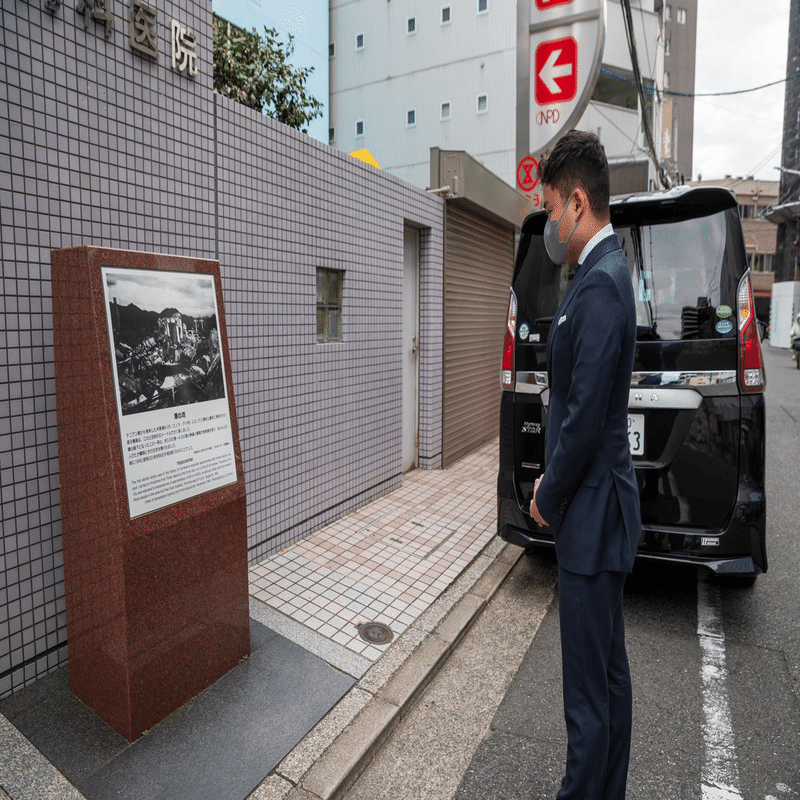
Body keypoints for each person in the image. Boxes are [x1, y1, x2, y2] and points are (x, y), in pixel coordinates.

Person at [529, 130, 643, 800]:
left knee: (587, 697)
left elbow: (582, 415)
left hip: (592, 515)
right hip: (604, 511)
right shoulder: (606, 273)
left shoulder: (599, 284)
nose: (550, 225)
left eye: (550, 209)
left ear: (576, 202)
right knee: (609, 677)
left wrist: (547, 492)